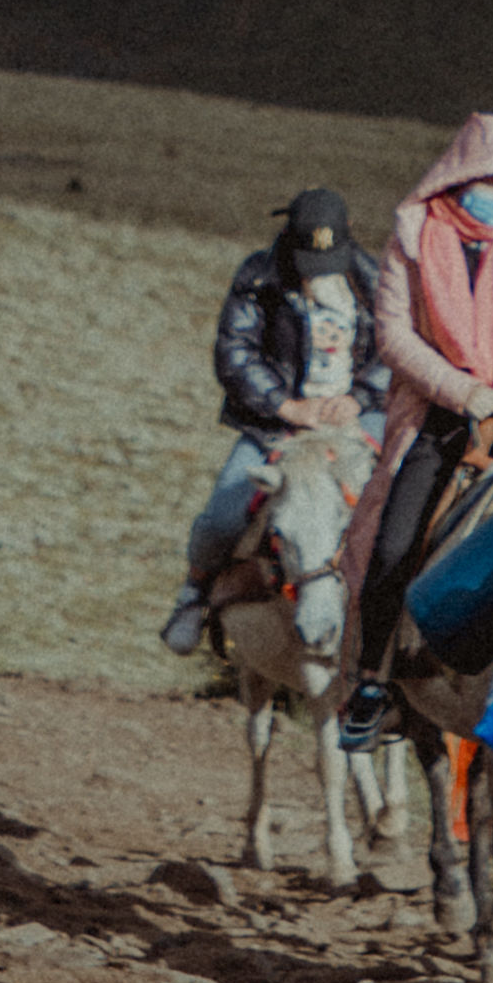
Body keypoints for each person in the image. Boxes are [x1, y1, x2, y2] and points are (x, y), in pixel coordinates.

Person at [342, 115, 493, 686]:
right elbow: (394, 337)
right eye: (489, 180)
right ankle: (374, 677)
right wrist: (466, 393)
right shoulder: (413, 237)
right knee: (392, 547)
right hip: (438, 416)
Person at [162, 184, 388, 653]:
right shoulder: (259, 279)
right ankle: (195, 594)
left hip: (356, 419)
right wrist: (286, 407)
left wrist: (360, 397)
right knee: (223, 515)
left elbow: (393, 350)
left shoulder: (374, 282)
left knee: (395, 507)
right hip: (277, 423)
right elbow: (234, 352)